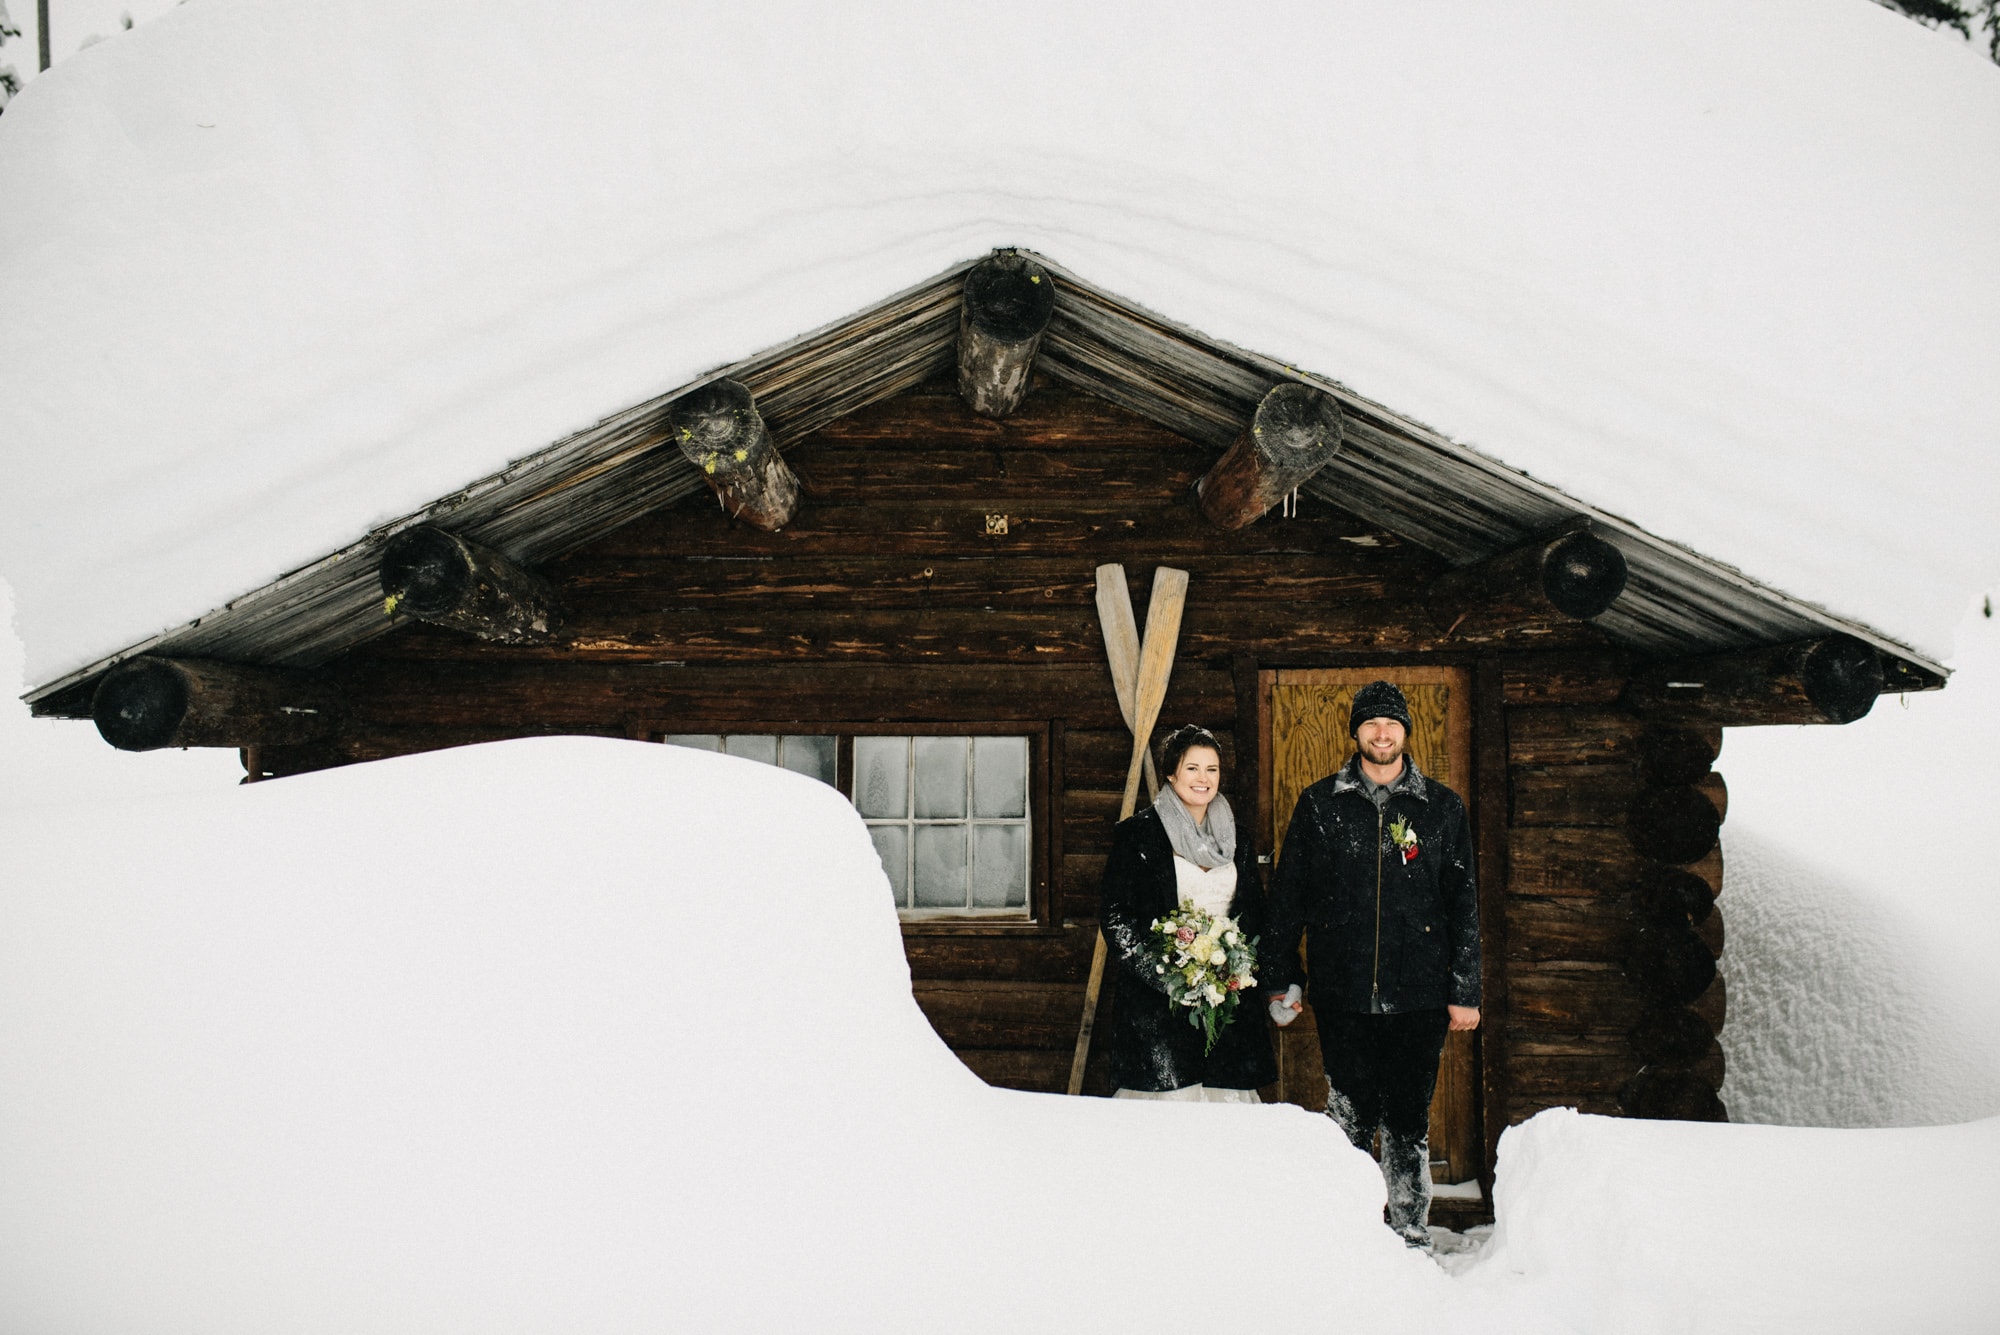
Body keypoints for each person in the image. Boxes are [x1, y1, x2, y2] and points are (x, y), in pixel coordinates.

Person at [1263, 680, 1480, 1249]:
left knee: (1408, 1118)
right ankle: (1350, 1234)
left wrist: (1465, 989)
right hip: (1344, 989)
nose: (1381, 734)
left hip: (1421, 993)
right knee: (1350, 1114)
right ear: (1356, 732)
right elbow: (1289, 898)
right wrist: (1283, 976)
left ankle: (1410, 1233)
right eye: (1371, 724)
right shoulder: (1318, 805)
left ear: (1406, 733)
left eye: (1392, 724)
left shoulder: (1441, 809)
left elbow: (1464, 904)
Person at [1099, 725, 1277, 1101]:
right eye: (1192, 768)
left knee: (1223, 1114)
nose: (1203, 779)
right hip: (1158, 1007)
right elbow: (1116, 917)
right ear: (1170, 772)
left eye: (1212, 769)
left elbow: (1253, 912)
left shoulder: (1237, 838)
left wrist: (1235, 966)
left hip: (1225, 1004)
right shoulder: (1138, 835)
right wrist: (1166, 975)